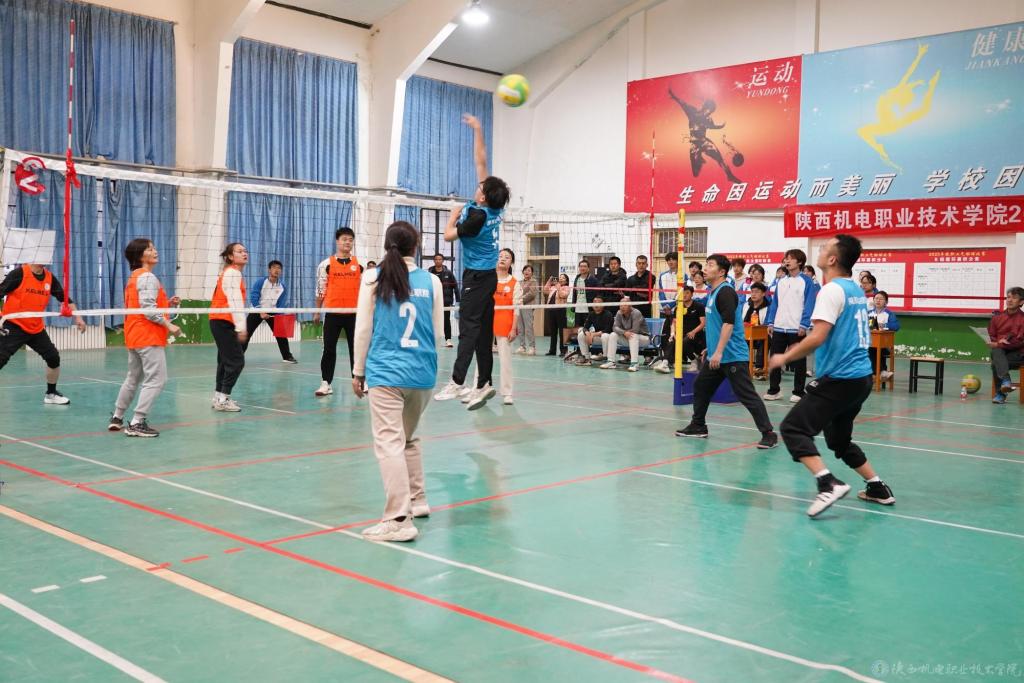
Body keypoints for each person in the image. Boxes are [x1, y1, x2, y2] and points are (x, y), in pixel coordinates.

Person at [769, 235, 895, 517]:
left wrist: (784, 357)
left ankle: (828, 483)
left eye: (825, 247)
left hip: (841, 378)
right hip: (861, 378)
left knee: (793, 428)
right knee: (838, 439)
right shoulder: (854, 289)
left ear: (833, 259)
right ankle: (877, 487)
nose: (821, 249)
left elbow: (817, 337)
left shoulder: (830, 291)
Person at [351, 221, 443, 542]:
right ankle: (418, 500)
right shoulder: (432, 281)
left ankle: (398, 520)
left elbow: (363, 329)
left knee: (389, 443)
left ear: (387, 245)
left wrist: (358, 371)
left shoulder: (372, 277)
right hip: (423, 374)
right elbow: (438, 333)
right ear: (415, 246)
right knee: (408, 437)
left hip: (387, 373)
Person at [433, 113, 510, 410]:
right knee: (482, 331)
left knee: (467, 328)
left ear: (483, 198)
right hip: (488, 277)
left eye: (481, 188)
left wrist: (453, 215)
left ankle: (457, 381)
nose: (478, 186)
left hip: (476, 279)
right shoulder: (494, 208)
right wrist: (478, 129)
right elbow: (481, 160)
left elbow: (448, 236)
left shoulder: (476, 218)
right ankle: (484, 383)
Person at [675, 254, 777, 448]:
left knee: (746, 395)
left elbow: (729, 324)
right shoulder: (713, 292)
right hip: (717, 356)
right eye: (706, 264)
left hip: (732, 356)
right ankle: (698, 425)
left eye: (710, 265)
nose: (705, 268)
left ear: (721, 271)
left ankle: (769, 434)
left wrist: (719, 351)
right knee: (701, 386)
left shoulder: (726, 292)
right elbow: (717, 324)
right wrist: (711, 348)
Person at [108, 238, 182, 436]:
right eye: (150, 249)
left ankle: (117, 417)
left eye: (154, 248)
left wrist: (167, 303)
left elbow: (142, 304)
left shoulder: (135, 276)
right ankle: (137, 422)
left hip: (135, 335)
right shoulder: (147, 277)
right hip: (148, 335)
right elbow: (148, 310)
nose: (155, 251)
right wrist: (169, 325)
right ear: (140, 256)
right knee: (158, 379)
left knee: (133, 378)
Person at [0, 262, 87, 404]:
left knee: (53, 358)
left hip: (35, 328)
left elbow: (65, 299)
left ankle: (51, 394)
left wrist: (78, 317)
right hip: (14, 325)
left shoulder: (49, 278)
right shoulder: (19, 274)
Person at [465, 249, 520, 406]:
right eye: (500, 256)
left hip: (505, 325)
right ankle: (478, 389)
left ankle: (507, 393)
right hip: (485, 324)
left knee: (505, 361)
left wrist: (513, 328)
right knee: (481, 359)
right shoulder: (487, 279)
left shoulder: (514, 283)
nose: (502, 259)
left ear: (511, 263)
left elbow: (517, 308)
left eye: (507, 257)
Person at [314, 227, 363, 396]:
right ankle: (326, 383)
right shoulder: (326, 265)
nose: (347, 242)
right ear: (337, 241)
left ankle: (359, 381)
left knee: (356, 349)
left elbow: (365, 290)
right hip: (333, 314)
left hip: (354, 314)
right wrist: (317, 311)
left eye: (350, 239)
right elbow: (320, 290)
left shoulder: (360, 264)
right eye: (344, 239)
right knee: (329, 349)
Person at [763, 249, 816, 403]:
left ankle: (798, 392)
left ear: (799, 262)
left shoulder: (807, 281)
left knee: (799, 361)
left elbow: (809, 304)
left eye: (790, 258)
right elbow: (775, 304)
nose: (787, 261)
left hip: (797, 327)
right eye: (785, 258)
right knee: (775, 358)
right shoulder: (781, 281)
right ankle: (774, 390)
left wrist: (804, 324)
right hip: (779, 326)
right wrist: (771, 322)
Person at [210, 242, 249, 411]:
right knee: (236, 362)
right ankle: (224, 399)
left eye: (245, 251)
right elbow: (235, 302)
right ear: (231, 256)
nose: (244, 253)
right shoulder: (233, 273)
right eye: (239, 251)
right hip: (224, 321)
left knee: (224, 362)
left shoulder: (228, 272)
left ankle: (218, 397)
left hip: (219, 320)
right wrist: (241, 327)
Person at [244, 260, 297, 364]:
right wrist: (261, 312)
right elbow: (254, 297)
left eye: (279, 268)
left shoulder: (282, 286)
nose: (277, 270)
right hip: (257, 310)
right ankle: (238, 357)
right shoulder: (260, 282)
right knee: (246, 333)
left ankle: (287, 357)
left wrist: (279, 316)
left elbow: (281, 303)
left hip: (273, 311)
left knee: (281, 334)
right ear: (269, 270)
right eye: (274, 267)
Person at [656, 284, 706, 373]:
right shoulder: (678, 307)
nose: (684, 295)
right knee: (671, 340)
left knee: (684, 342)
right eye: (683, 293)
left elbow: (703, 323)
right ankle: (665, 363)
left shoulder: (699, 306)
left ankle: (694, 361)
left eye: (687, 293)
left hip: (696, 334)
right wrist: (672, 333)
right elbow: (674, 322)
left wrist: (693, 332)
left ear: (692, 294)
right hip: (682, 333)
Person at [989, 286, 1024, 405]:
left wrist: (1000, 344)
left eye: (1014, 298)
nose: (1009, 300)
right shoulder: (997, 318)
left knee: (996, 362)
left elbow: (1020, 342)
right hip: (1001, 352)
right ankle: (1005, 382)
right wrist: (995, 342)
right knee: (997, 352)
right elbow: (992, 335)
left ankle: (1001, 393)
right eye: (1008, 297)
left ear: (1021, 302)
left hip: (1019, 354)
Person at [601, 299, 650, 372]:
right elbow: (614, 327)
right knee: (613, 335)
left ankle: (635, 363)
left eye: (625, 305)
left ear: (630, 306)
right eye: (621, 305)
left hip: (643, 339)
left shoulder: (636, 313)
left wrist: (623, 332)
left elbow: (635, 330)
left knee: (633, 335)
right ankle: (611, 361)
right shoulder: (619, 313)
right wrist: (624, 332)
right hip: (627, 337)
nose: (622, 307)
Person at [567, 259, 599, 357]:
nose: (582, 268)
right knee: (578, 331)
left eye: (585, 266)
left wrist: (594, 307)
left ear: (588, 268)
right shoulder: (577, 278)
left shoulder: (593, 279)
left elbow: (596, 294)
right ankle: (579, 351)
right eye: (581, 266)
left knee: (589, 331)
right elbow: (574, 293)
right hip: (578, 309)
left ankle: (593, 352)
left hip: (588, 309)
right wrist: (573, 305)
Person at [867, 291, 901, 379]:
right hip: (870, 343)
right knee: (870, 348)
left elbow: (896, 326)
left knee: (873, 349)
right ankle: (881, 371)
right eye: (876, 298)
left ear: (886, 302)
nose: (878, 300)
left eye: (881, 299)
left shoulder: (889, 314)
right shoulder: (869, 313)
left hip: (885, 346)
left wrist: (884, 325)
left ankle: (878, 372)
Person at [428, 253, 459, 348]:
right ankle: (430, 340)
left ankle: (448, 340)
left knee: (446, 321)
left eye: (440, 259)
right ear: (434, 261)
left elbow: (455, 286)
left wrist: (458, 300)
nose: (438, 261)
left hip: (445, 301)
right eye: (436, 259)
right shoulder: (429, 273)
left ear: (443, 260)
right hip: (432, 301)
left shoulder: (448, 273)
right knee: (431, 320)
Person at [575, 296, 615, 366]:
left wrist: (593, 334)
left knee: (605, 336)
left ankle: (606, 358)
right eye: (594, 302)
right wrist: (587, 333)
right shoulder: (591, 314)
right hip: (597, 338)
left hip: (608, 339)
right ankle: (586, 358)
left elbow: (608, 330)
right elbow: (585, 327)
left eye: (599, 302)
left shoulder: (608, 314)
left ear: (603, 305)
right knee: (581, 334)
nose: (596, 304)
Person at [743, 282, 770, 378]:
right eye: (752, 292)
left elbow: (767, 324)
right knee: (738, 339)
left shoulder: (768, 307)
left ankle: (759, 368)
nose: (753, 294)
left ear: (763, 294)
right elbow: (741, 320)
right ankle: (743, 366)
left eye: (757, 292)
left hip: (761, 334)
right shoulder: (746, 305)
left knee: (765, 340)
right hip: (746, 334)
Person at [542, 273, 571, 356]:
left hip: (561, 310)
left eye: (563, 278)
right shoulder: (553, 287)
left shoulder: (566, 288)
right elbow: (545, 291)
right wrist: (549, 281)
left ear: (566, 281)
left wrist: (558, 287)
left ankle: (563, 351)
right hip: (551, 310)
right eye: (560, 277)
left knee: (562, 332)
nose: (561, 279)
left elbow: (562, 295)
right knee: (553, 331)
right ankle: (552, 350)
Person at [515, 264, 538, 355]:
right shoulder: (519, 282)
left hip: (527, 306)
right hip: (519, 306)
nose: (526, 272)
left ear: (532, 273)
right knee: (520, 327)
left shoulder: (533, 281)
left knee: (528, 327)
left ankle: (532, 347)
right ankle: (522, 346)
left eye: (529, 270)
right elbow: (516, 292)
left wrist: (521, 299)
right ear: (523, 272)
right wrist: (516, 300)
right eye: (525, 270)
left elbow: (532, 294)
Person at [657, 251, 679, 317]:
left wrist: (670, 306)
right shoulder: (662, 275)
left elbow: (681, 293)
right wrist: (665, 305)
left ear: (678, 261)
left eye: (673, 259)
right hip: (663, 309)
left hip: (677, 309)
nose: (671, 262)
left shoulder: (683, 276)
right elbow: (661, 292)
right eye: (669, 260)